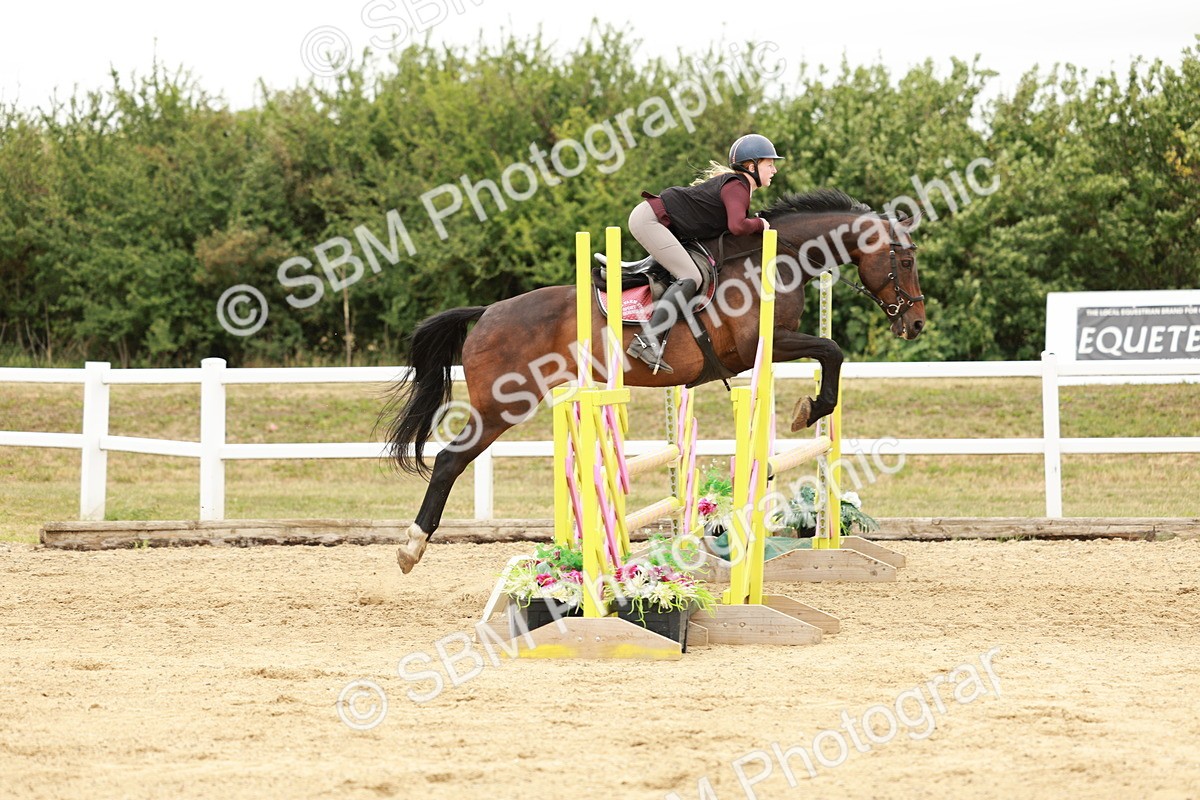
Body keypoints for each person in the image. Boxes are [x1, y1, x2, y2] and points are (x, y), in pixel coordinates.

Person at [625, 133, 783, 374]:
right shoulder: (737, 186)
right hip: (650, 220)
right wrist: (761, 224)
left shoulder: (736, 187)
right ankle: (647, 341)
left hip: (656, 221)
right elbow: (738, 227)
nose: (774, 170)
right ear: (751, 166)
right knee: (691, 277)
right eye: (769, 164)